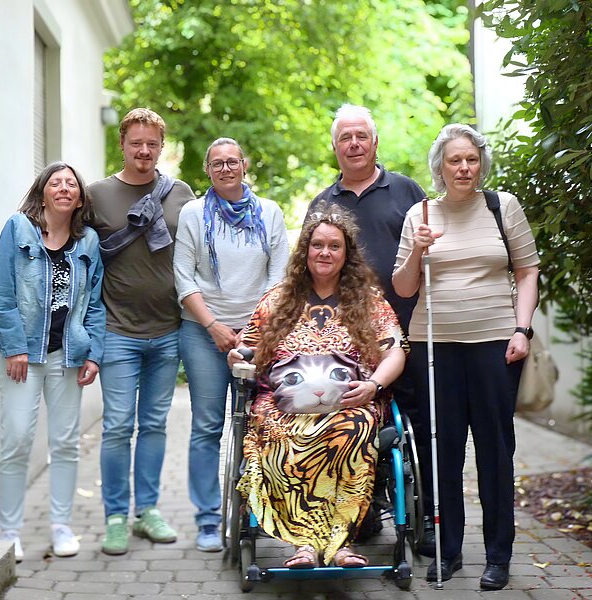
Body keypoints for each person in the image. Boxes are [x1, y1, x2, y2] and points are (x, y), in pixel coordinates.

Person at [392, 123, 540, 590]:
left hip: (496, 344)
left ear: (481, 165)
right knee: (443, 449)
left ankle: (498, 556)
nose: (463, 168)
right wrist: (417, 251)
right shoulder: (420, 214)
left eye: (471, 159)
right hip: (435, 347)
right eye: (454, 160)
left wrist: (522, 329)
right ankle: (448, 550)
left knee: (495, 448)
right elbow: (403, 288)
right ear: (440, 167)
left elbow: (528, 271)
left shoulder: (502, 207)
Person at [228, 202, 408, 568]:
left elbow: (396, 351)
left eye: (334, 246)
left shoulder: (369, 302)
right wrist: (237, 357)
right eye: (318, 245)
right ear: (305, 251)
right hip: (283, 405)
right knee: (279, 434)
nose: (325, 252)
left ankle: (340, 542)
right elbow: (246, 349)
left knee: (354, 428)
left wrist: (373, 385)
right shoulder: (277, 299)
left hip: (350, 403)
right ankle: (306, 544)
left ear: (346, 254)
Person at [306, 104, 435, 552]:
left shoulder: (407, 191)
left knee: (418, 422)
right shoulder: (323, 203)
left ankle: (426, 516)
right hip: (346, 337)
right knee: (350, 419)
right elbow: (311, 267)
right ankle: (358, 511)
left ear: (375, 142)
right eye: (345, 137)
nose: (354, 144)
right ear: (335, 147)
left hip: (408, 328)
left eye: (361, 135)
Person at [88, 108, 196, 555]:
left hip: (168, 329)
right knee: (117, 426)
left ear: (161, 146)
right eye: (137, 143)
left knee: (153, 424)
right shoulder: (97, 195)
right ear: (122, 144)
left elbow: (201, 249)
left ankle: (147, 510)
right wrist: (15, 251)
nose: (144, 151)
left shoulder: (181, 193)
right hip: (117, 330)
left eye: (152, 143)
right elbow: (62, 235)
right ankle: (115, 516)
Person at [173, 137, 289, 552]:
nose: (225, 168)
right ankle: (208, 519)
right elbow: (183, 276)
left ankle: (256, 512)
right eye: (217, 163)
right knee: (207, 426)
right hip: (203, 333)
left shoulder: (270, 213)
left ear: (244, 165)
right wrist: (214, 326)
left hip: (259, 334)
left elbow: (279, 278)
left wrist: (253, 331)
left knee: (260, 422)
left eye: (232, 162)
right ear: (208, 170)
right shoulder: (193, 214)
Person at [0, 161, 106, 561]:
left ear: (80, 198)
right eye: (55, 183)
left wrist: (94, 353)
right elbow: (4, 292)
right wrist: (15, 347)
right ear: (42, 193)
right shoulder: (17, 228)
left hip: (68, 354)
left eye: (71, 184)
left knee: (65, 443)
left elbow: (95, 303)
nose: (63, 188)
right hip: (23, 355)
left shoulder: (88, 241)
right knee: (17, 440)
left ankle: (61, 526)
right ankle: (9, 530)